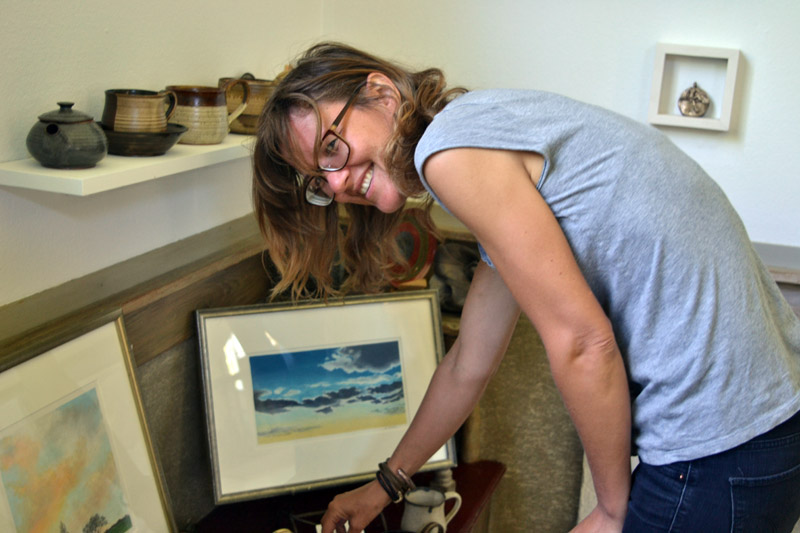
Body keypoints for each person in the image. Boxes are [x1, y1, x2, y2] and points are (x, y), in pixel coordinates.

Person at [252, 42, 800, 532]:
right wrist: (385, 486)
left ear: (380, 91)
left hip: (719, 446)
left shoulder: (450, 153)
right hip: (767, 427)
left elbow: (585, 343)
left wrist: (611, 510)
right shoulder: (483, 130)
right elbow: (470, 359)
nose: (337, 182)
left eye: (330, 148)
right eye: (317, 181)